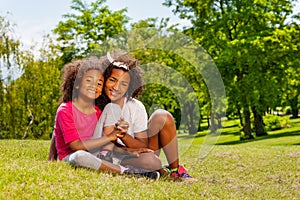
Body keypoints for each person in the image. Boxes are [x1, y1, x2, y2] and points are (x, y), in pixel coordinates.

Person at [49, 56, 160, 180]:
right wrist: (51, 158)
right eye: (89, 80)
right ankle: (128, 172)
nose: (94, 86)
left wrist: (125, 150)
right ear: (77, 84)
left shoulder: (99, 110)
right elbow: (73, 144)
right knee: (79, 156)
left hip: (95, 153)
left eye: (99, 83)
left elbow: (104, 139)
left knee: (112, 108)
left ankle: (106, 156)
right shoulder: (65, 110)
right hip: (74, 155)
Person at [94, 52, 197, 181]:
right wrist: (123, 149)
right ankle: (151, 170)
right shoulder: (96, 105)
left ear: (129, 87)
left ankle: (175, 171)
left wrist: (123, 135)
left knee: (162, 116)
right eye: (112, 80)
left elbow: (142, 145)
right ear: (104, 80)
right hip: (111, 157)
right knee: (151, 162)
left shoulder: (135, 106)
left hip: (135, 155)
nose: (116, 87)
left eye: (123, 84)